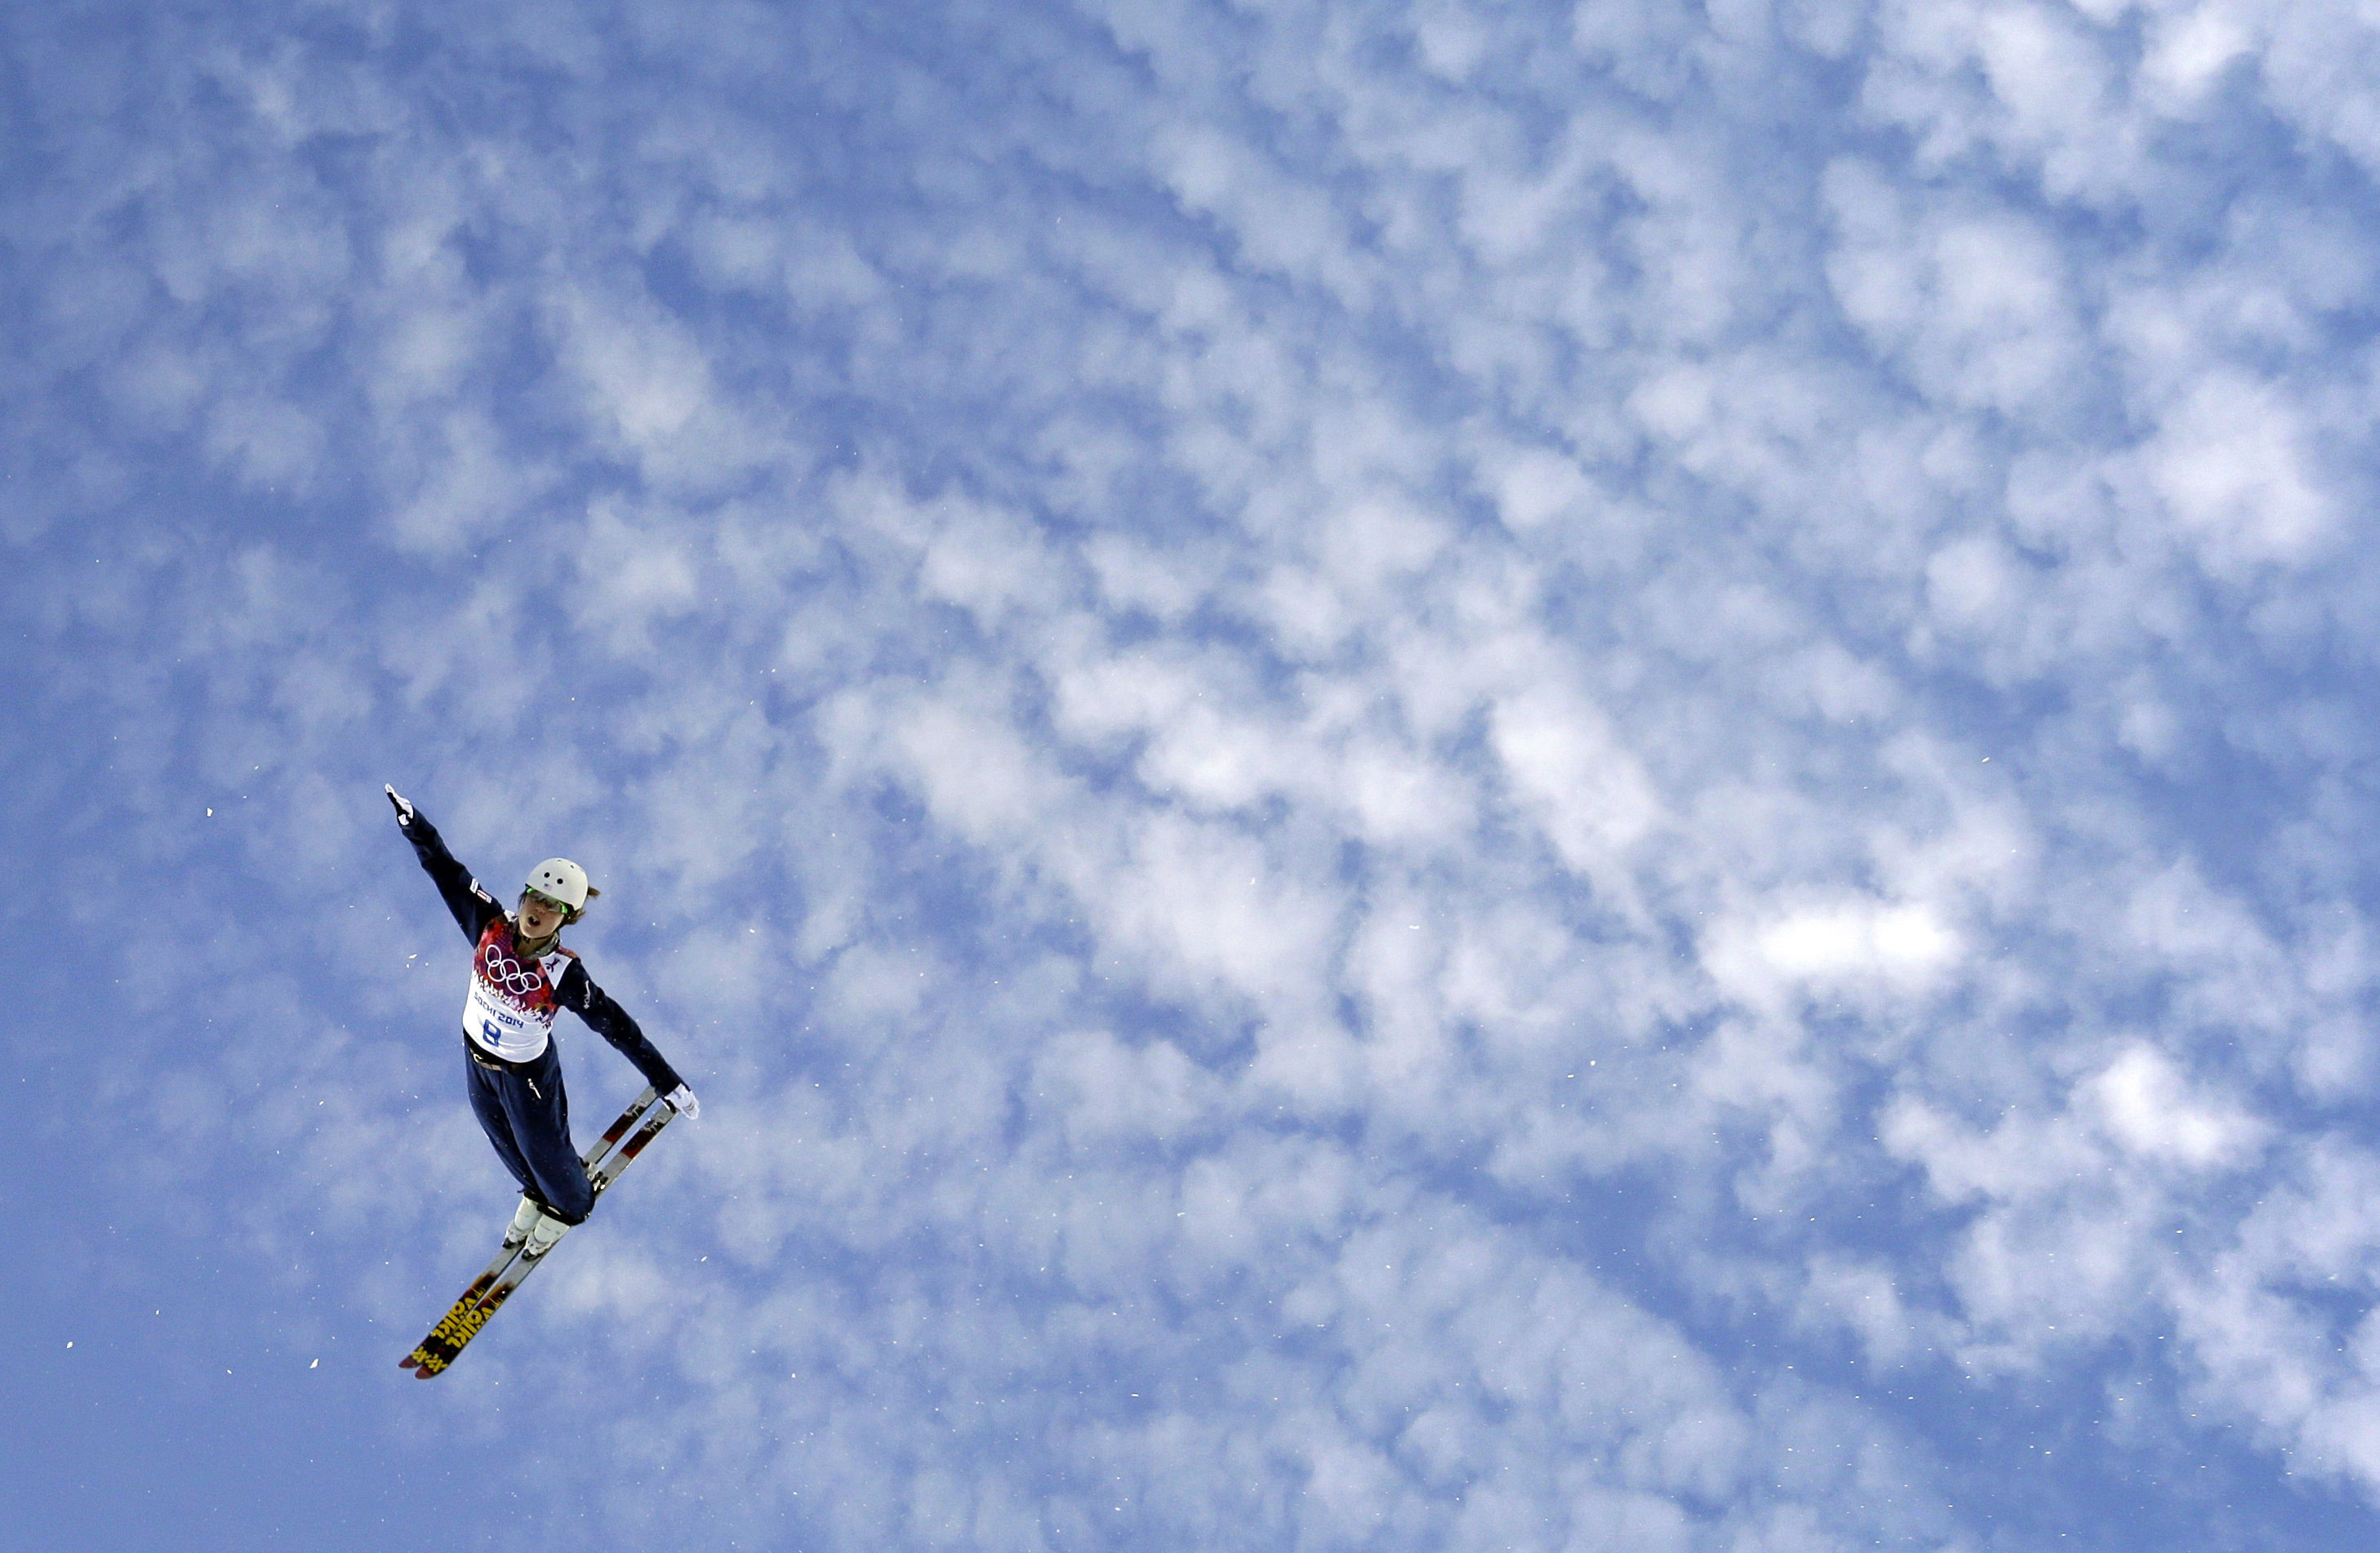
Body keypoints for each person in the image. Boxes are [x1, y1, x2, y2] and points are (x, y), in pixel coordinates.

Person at [385, 784, 696, 1258]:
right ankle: (536, 1194)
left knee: (543, 1152)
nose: (539, 911)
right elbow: (446, 871)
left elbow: (618, 1028)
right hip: (476, 1059)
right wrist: (415, 825)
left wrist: (665, 1079)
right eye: (535, 899)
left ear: (566, 918)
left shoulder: (563, 972)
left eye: (553, 908)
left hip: (526, 1075)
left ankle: (572, 1204)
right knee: (504, 1144)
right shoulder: (489, 923)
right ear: (524, 896)